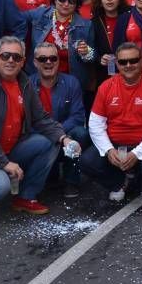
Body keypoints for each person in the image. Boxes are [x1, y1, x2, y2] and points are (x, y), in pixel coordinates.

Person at [0, 37, 79, 217]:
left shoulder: (24, 83)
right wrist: (5, 163)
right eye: (5, 56)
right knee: (0, 187)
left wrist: (64, 138)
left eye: (16, 57)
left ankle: (26, 197)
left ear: (22, 62)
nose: (11, 60)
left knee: (51, 141)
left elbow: (41, 118)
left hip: (8, 148)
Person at [81, 43, 142, 202]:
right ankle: (118, 183)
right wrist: (108, 150)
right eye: (123, 62)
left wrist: (137, 153)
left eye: (133, 60)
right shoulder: (106, 87)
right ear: (117, 64)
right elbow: (95, 123)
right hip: (115, 144)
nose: (128, 65)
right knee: (87, 162)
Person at [29, 42, 91, 198]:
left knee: (80, 133)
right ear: (35, 62)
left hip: (66, 135)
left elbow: (77, 116)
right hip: (39, 136)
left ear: (58, 61)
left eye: (53, 58)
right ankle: (49, 176)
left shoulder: (71, 82)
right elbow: (26, 120)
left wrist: (58, 134)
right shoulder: (26, 85)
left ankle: (71, 181)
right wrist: (52, 135)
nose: (48, 62)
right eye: (43, 59)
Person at [27, 0, 95, 107]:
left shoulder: (86, 25)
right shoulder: (40, 15)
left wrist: (87, 52)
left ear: (77, 4)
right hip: (40, 81)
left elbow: (92, 58)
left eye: (71, 1)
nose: (66, 4)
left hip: (70, 84)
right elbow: (16, 20)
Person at [91, 0, 130, 89]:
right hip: (104, 76)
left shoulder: (130, 16)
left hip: (129, 70)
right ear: (100, 0)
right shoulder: (94, 22)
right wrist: (99, 58)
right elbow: (90, 50)